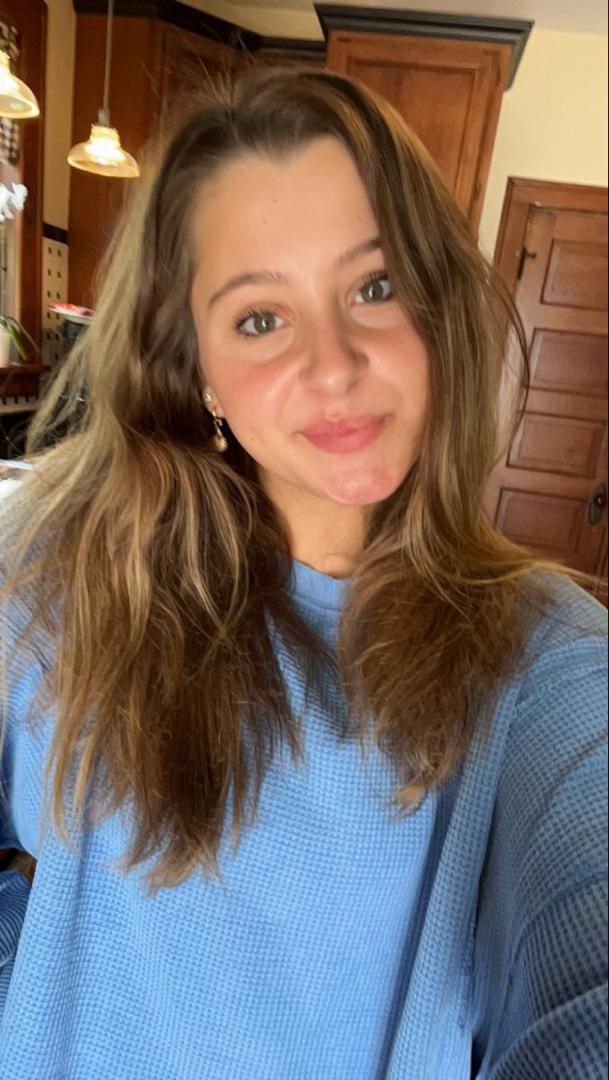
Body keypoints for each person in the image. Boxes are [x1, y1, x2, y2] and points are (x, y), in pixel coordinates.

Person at [0, 67, 607, 1079]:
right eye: (259, 318)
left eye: (374, 287)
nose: (334, 365)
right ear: (196, 366)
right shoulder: (56, 564)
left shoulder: (542, 655)